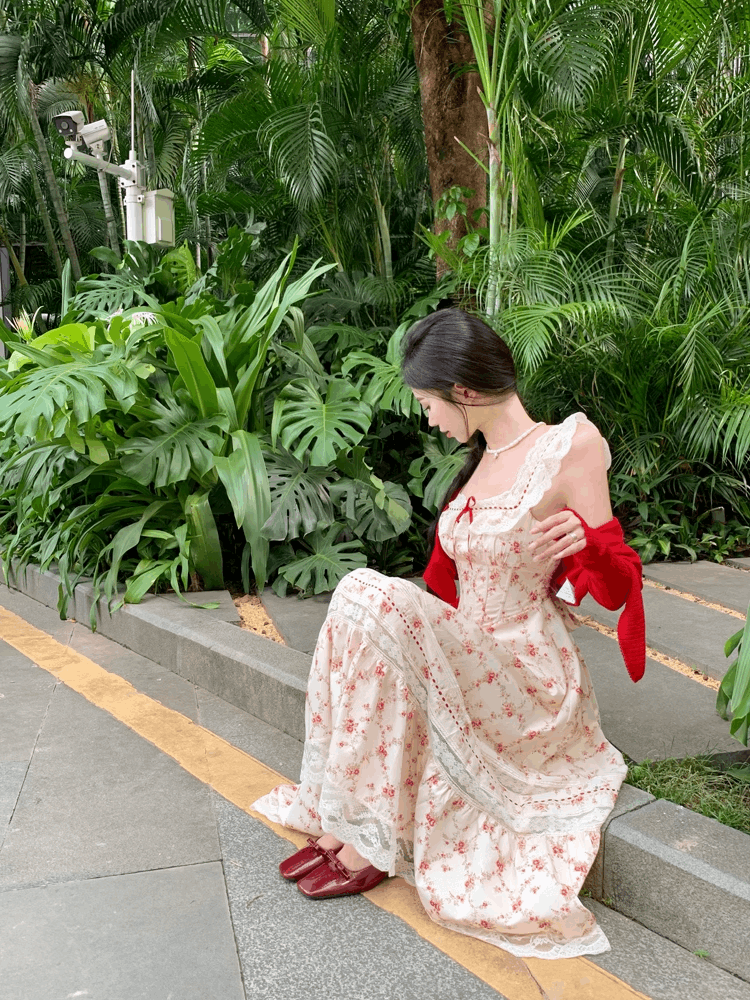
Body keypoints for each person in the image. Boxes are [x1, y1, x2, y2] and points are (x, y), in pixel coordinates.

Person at [252, 308, 644, 959]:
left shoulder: (569, 446)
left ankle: (368, 837)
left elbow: (613, 586)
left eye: (428, 402)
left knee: (367, 593)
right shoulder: (481, 466)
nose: (427, 418)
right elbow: (443, 590)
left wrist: (591, 546)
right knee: (362, 598)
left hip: (528, 677)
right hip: (472, 650)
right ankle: (356, 820)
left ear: (463, 392)